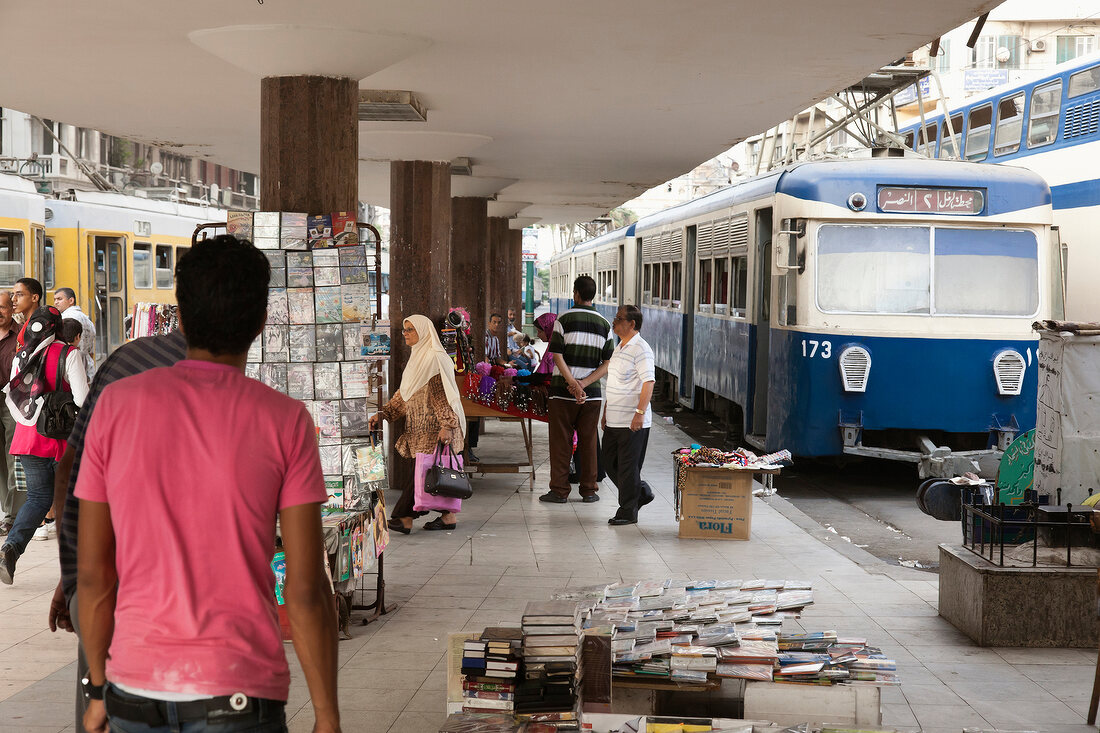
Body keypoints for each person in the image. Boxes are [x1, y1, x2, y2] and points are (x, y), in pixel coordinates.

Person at [74, 236, 340, 733]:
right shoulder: (286, 420)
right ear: (261, 322)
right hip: (239, 692)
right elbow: (305, 590)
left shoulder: (116, 405)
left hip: (133, 690)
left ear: (181, 312)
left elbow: (94, 576)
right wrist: (326, 714)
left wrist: (96, 688)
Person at [49, 324, 188, 733]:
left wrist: (73, 572)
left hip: (108, 586)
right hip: (173, 610)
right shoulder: (247, 400)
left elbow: (69, 469)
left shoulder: (125, 361)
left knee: (100, 709)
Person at [0, 306, 89, 583]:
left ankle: (10, 549)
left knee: (38, 498)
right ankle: (80, 568)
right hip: (63, 439)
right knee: (75, 502)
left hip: (28, 439)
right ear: (57, 326)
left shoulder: (21, 357)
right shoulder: (69, 354)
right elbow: (82, 400)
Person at [369, 315, 466, 533]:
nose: (405, 333)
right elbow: (405, 396)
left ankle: (404, 518)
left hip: (435, 429)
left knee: (421, 476)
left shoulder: (433, 358)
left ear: (423, 332)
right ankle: (448, 516)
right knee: (432, 473)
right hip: (419, 429)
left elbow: (443, 395)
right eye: (405, 329)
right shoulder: (418, 358)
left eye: (410, 329)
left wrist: (447, 425)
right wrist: (383, 414)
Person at [541, 276, 614, 504]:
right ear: (593, 295)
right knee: (589, 442)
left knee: (561, 442)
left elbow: (556, 355)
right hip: (591, 395)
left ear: (576, 294)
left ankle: (560, 491)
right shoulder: (604, 324)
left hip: (562, 393)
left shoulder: (564, 319)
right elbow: (607, 363)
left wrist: (572, 382)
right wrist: (583, 383)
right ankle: (589, 490)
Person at [586, 305, 656, 526]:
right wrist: (606, 412)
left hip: (632, 421)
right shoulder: (620, 347)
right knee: (609, 463)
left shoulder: (641, 349)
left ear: (632, 324)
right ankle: (640, 492)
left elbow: (648, 382)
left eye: (619, 319)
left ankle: (628, 511)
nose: (614, 322)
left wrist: (639, 413)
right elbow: (613, 382)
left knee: (627, 467)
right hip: (614, 418)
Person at [0, 293, 19, 536]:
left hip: (12, 400)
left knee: (13, 455)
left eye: (2, 307)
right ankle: (7, 511)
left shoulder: (21, 334)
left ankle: (13, 515)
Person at [54, 287, 96, 380]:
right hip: (88, 368)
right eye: (55, 300)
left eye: (59, 299)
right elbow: (91, 350)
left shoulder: (66, 318)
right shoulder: (86, 318)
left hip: (72, 367)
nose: (56, 302)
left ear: (71, 300)